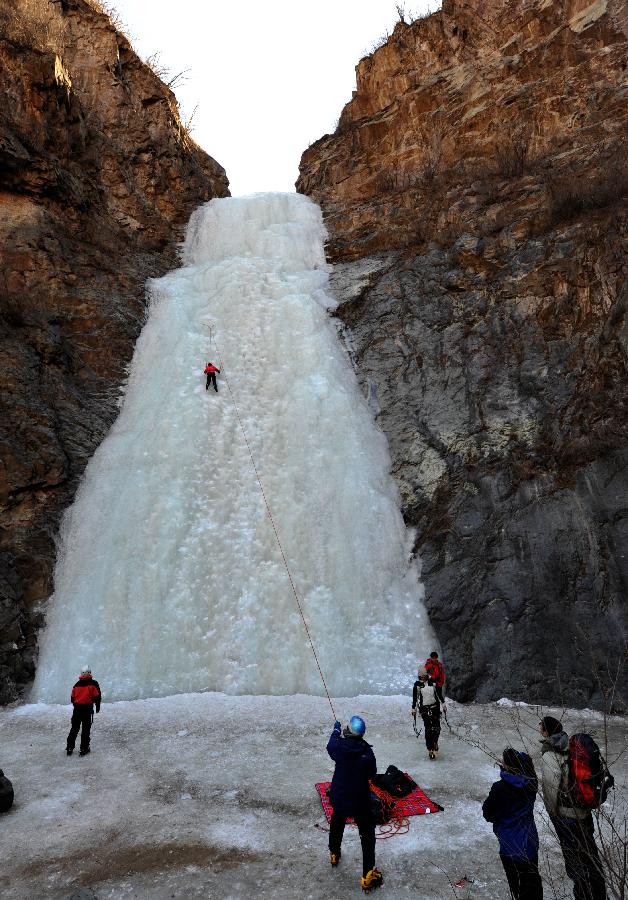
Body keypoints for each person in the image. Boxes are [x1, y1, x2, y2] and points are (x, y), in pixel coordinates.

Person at [539, 716, 607, 900]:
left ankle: (584, 896)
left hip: (567, 816)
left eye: (541, 727)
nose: (539, 730)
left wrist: (553, 813)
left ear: (546, 731)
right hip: (584, 812)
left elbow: (551, 788)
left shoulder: (551, 753)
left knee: (576, 863)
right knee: (590, 857)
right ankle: (600, 895)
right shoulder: (572, 744)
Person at [326, 716, 384, 893]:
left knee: (337, 820)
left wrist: (336, 729)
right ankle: (368, 875)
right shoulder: (367, 751)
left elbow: (331, 745)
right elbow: (371, 774)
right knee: (367, 835)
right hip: (360, 800)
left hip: (341, 797)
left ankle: (334, 854)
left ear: (348, 731)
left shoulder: (339, 747)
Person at [482, 748, 543, 899]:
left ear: (508, 766)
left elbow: (488, 814)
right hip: (529, 841)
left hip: (510, 844)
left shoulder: (500, 788)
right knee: (532, 882)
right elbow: (527, 764)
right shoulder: (531, 783)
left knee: (518, 885)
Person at [66, 666, 101, 757]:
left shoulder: (76, 685)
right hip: (87, 709)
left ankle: (69, 747)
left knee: (74, 728)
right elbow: (97, 696)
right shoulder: (93, 684)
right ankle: (84, 748)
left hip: (77, 709)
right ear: (89, 673)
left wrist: (76, 706)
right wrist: (97, 706)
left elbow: (72, 698)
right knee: (85, 729)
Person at [412, 666, 445, 759]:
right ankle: (430, 749)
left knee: (437, 727)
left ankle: (435, 742)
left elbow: (439, 694)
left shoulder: (433, 682)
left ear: (427, 675)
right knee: (428, 728)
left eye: (424, 676)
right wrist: (413, 708)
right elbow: (415, 697)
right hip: (424, 709)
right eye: (420, 676)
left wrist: (443, 703)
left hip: (435, 708)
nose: (422, 678)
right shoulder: (417, 685)